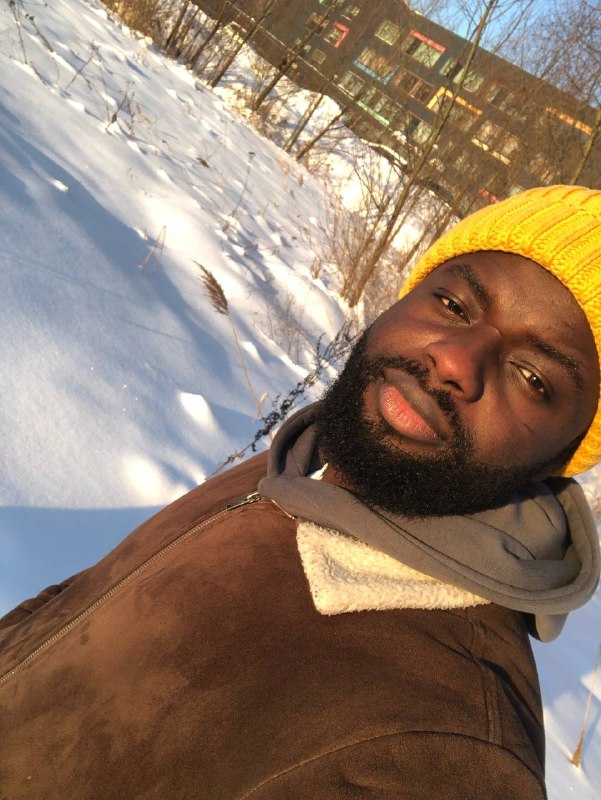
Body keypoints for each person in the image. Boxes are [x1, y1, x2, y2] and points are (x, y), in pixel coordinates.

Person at [1, 184, 600, 799]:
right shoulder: (318, 457)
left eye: (533, 377)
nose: (454, 360)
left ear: (561, 456)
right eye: (451, 304)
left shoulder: (448, 745)